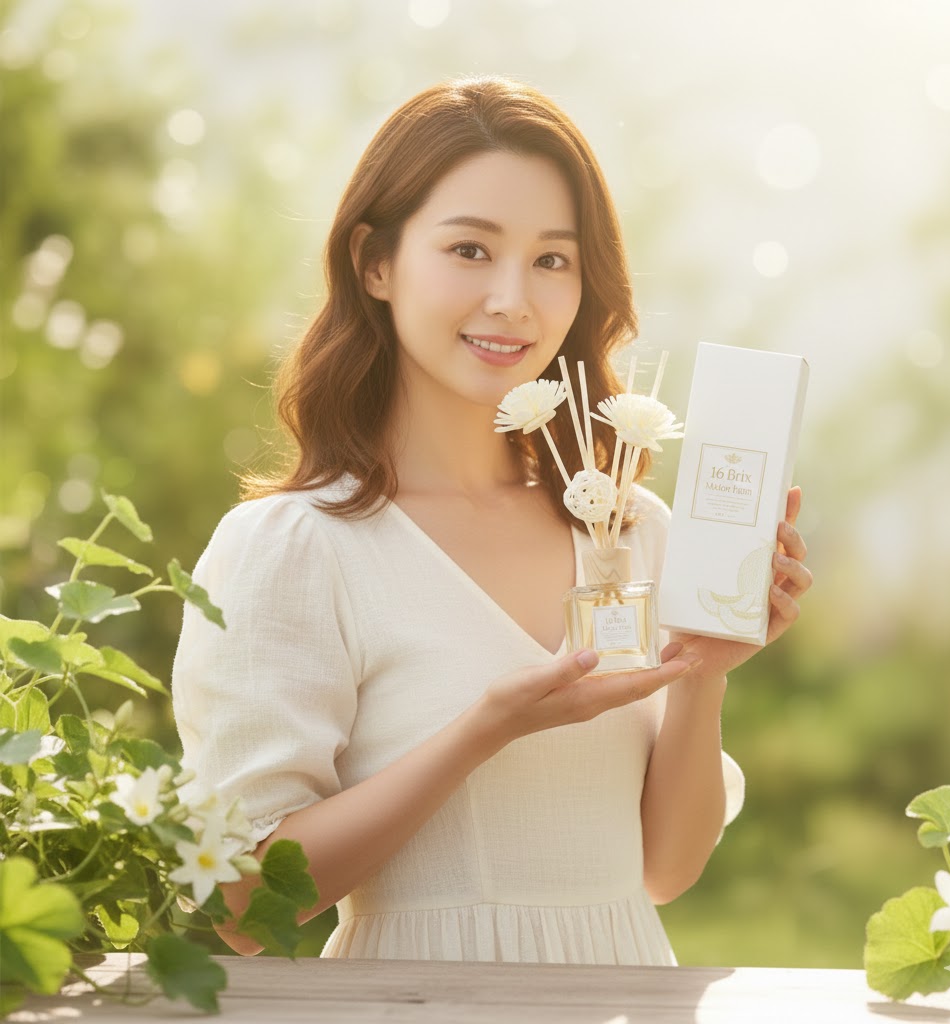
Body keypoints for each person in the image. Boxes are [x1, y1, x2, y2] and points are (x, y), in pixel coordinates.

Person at [171, 75, 812, 966]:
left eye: (553, 259)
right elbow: (240, 907)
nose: (514, 298)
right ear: (375, 262)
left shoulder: (629, 529)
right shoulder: (293, 550)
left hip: (629, 986)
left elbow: (664, 871)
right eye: (470, 250)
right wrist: (484, 730)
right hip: (416, 999)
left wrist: (703, 672)